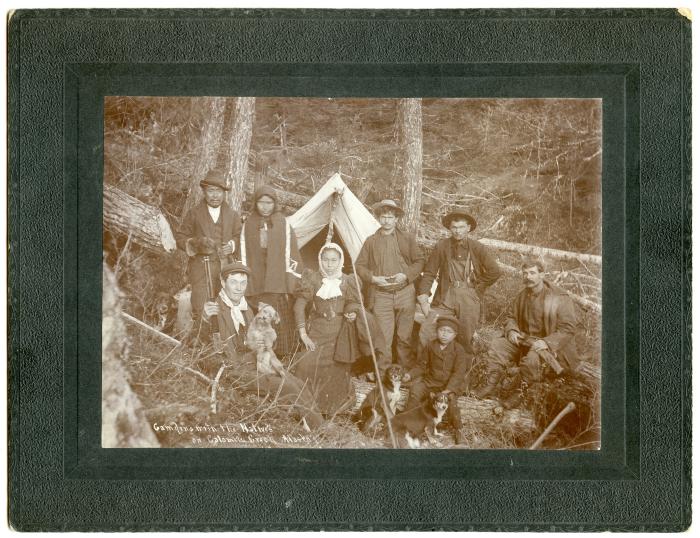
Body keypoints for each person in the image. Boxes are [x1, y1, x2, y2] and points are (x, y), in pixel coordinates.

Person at [201, 262, 324, 429]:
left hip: (254, 363)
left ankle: (318, 425)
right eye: (233, 282)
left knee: (297, 382)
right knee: (287, 386)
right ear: (223, 283)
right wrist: (203, 319)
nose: (239, 288)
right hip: (234, 370)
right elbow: (196, 343)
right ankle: (321, 431)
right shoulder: (213, 309)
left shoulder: (246, 309)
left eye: (243, 283)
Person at [292, 243, 386, 414]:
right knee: (304, 364)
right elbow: (299, 306)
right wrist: (303, 334)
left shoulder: (349, 280)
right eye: (325, 259)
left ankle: (332, 410)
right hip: (317, 332)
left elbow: (353, 303)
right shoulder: (311, 279)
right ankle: (305, 408)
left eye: (333, 260)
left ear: (340, 261)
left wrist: (352, 313)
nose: (329, 264)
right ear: (320, 260)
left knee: (338, 368)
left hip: (340, 333)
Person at [475, 259, 580, 404]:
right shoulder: (522, 295)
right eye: (525, 273)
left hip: (550, 349)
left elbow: (568, 328)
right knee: (498, 346)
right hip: (525, 341)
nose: (528, 277)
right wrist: (512, 330)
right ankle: (490, 385)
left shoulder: (559, 297)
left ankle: (520, 393)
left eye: (532, 273)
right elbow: (511, 317)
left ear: (542, 274)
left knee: (532, 359)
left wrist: (546, 342)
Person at [416, 211, 501, 356]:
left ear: (468, 228)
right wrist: (423, 295)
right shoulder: (442, 246)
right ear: (449, 228)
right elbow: (429, 272)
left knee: (465, 336)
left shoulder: (477, 248)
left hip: (469, 297)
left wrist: (478, 286)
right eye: (454, 227)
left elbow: (495, 271)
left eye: (461, 227)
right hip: (445, 295)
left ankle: (461, 373)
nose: (457, 231)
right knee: (428, 329)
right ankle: (424, 367)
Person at [355, 199, 425, 372]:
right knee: (383, 338)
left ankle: (404, 372)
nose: (386, 220)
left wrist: (406, 276)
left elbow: (419, 261)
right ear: (378, 218)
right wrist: (373, 279)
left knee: (404, 337)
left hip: (405, 293)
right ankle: (384, 372)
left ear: (396, 219)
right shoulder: (371, 241)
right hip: (381, 295)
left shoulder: (407, 238)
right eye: (383, 216)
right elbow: (359, 265)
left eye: (390, 217)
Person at [174, 169, 242, 337]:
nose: (215, 195)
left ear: (224, 193)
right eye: (211, 191)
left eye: (218, 191)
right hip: (201, 268)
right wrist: (195, 243)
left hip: (224, 268)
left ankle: (224, 344)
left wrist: (233, 246)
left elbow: (239, 236)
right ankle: (199, 345)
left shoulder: (232, 215)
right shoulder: (194, 214)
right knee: (201, 305)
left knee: (224, 305)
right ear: (204, 192)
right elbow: (180, 237)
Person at [239, 185, 302, 356]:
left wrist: (289, 284)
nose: (265, 206)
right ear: (255, 203)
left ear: (275, 203)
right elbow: (243, 253)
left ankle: (282, 357)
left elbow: (291, 253)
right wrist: (246, 283)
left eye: (269, 202)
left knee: (280, 324)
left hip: (278, 283)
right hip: (256, 283)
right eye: (261, 202)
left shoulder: (283, 223)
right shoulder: (249, 224)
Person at [403, 315, 468, 445]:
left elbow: (458, 373)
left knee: (452, 403)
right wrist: (410, 375)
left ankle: (459, 431)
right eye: (442, 330)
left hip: (448, 386)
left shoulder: (458, 350)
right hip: (430, 383)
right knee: (415, 390)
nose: (444, 334)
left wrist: (448, 390)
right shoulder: (431, 346)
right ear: (437, 331)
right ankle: (408, 426)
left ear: (455, 335)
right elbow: (421, 365)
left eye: (449, 332)